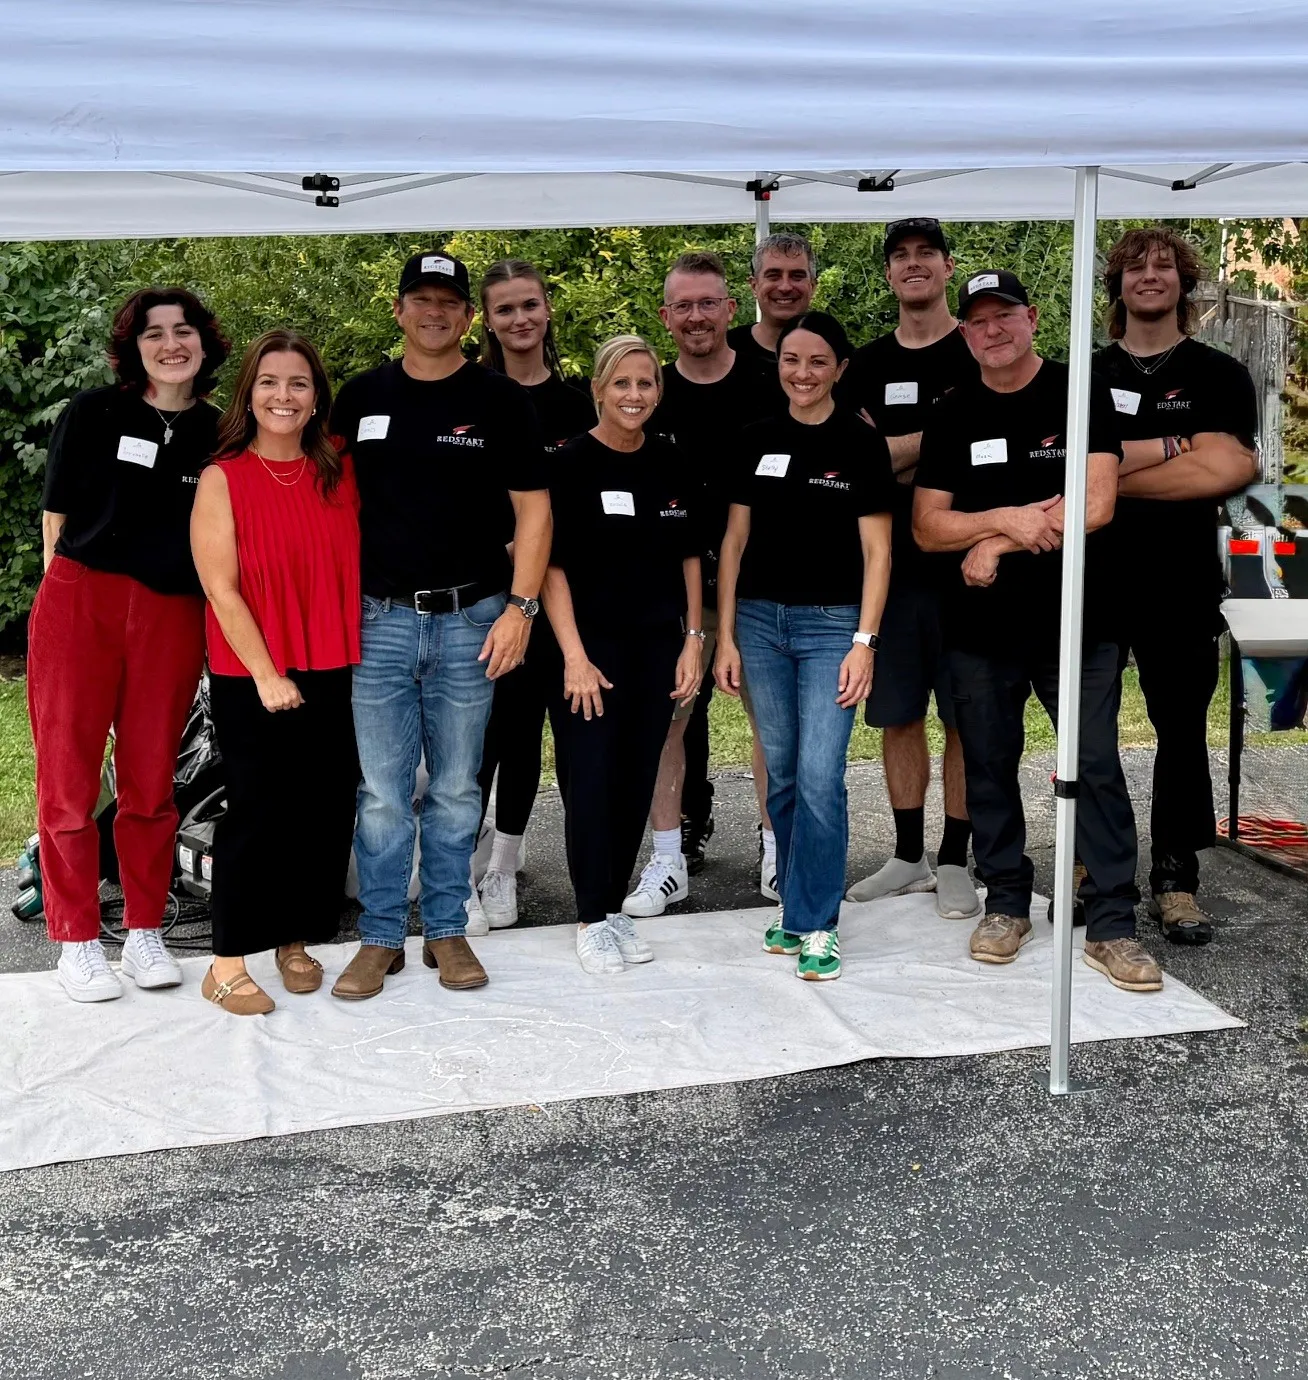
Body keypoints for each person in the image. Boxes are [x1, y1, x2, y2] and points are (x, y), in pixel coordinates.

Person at [914, 269, 1162, 992]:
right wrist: (1007, 519)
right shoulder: (953, 411)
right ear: (964, 333)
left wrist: (996, 543)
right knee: (988, 767)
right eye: (978, 322)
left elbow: (1096, 505)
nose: (992, 331)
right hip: (980, 633)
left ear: (1032, 318)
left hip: (1078, 625)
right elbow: (928, 527)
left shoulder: (1078, 391)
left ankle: (1113, 922)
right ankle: (1008, 903)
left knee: (1094, 768)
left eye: (1004, 317)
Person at [330, 251, 550, 1001]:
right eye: (420, 300)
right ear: (398, 311)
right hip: (380, 623)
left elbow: (534, 511)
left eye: (449, 302)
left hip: (473, 620)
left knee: (457, 789)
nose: (435, 312)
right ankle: (382, 937)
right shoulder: (359, 399)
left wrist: (521, 610)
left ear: (467, 316)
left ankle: (447, 929)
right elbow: (317, 503)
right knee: (384, 792)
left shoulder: (498, 400)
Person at [30, 287, 229, 1003]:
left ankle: (143, 928)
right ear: (134, 346)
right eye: (155, 333)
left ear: (204, 344)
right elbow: (55, 522)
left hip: (171, 613)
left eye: (184, 332)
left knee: (150, 781)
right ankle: (78, 939)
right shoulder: (94, 413)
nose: (171, 343)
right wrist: (68, 610)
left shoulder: (219, 430)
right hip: (81, 601)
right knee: (70, 781)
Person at [716, 312, 894, 982]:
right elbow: (733, 544)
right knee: (784, 775)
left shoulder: (860, 443)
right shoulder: (754, 438)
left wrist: (863, 642)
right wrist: (726, 635)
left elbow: (878, 553)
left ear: (839, 369)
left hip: (831, 628)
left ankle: (819, 923)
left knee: (821, 777)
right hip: (760, 625)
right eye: (792, 359)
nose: (802, 373)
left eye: (818, 361)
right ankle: (796, 907)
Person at [1095, 228, 1259, 946]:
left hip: (1183, 583)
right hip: (1097, 579)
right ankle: (1096, 867)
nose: (1151, 276)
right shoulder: (1086, 374)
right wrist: (1180, 449)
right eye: (1136, 267)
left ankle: (1175, 878)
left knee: (1181, 733)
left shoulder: (1219, 374)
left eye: (1165, 266)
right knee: (1088, 733)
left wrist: (1114, 470)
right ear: (1117, 285)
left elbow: (1227, 471)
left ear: (1185, 283)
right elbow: (1069, 467)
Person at [190, 330, 361, 1015]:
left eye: (297, 383)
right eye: (269, 382)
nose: (282, 396)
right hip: (254, 673)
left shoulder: (341, 466)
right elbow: (220, 588)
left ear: (316, 395)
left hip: (336, 665)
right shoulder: (222, 477)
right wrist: (265, 674)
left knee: (321, 813)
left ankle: (293, 940)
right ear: (249, 393)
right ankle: (226, 960)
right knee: (257, 817)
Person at [624, 251, 783, 918]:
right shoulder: (648, 392)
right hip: (674, 594)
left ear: (730, 308)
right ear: (667, 316)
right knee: (667, 723)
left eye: (707, 303)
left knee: (772, 728)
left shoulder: (775, 382)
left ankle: (779, 855)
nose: (696, 316)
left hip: (763, 587)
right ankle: (667, 861)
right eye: (683, 305)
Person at [542, 335, 703, 974]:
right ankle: (589, 916)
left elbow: (690, 554)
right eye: (622, 384)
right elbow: (548, 567)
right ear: (598, 390)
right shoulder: (569, 464)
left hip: (658, 645)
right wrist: (574, 657)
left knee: (638, 777)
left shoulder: (670, 462)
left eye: (646, 384)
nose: (634, 396)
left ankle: (611, 909)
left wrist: (694, 640)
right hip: (590, 651)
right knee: (592, 780)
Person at [842, 218, 981, 919]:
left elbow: (999, 446)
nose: (915, 264)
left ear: (948, 266)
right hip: (891, 576)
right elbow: (859, 464)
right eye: (901, 256)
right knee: (898, 717)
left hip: (968, 573)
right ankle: (907, 855)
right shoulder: (864, 365)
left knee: (962, 717)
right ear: (891, 275)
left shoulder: (979, 348)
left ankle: (956, 858)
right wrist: (945, 440)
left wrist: (898, 451)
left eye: (927, 253)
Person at [473, 259, 594, 930]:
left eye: (529, 305)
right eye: (505, 309)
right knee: (505, 731)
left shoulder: (577, 404)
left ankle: (545, 871)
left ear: (547, 310)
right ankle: (487, 863)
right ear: (488, 320)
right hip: (499, 596)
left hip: (567, 597)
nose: (519, 319)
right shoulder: (478, 396)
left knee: (566, 735)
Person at [727, 231, 819, 376]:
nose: (785, 287)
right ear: (754, 286)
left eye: (797, 276)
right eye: (774, 276)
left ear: (812, 286)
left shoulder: (836, 354)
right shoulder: (725, 350)